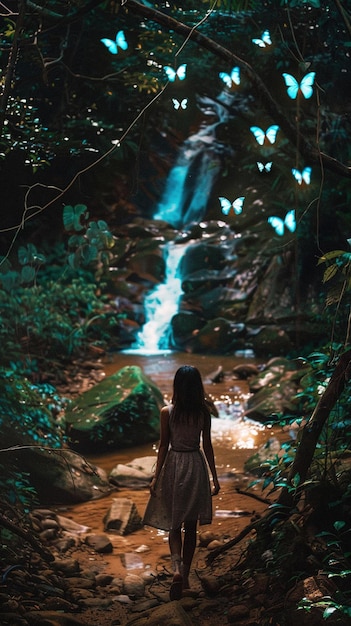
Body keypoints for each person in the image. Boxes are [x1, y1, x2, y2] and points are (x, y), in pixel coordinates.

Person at [142, 365, 220, 600]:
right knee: (191, 528)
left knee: (174, 525)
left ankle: (175, 569)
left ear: (177, 386)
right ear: (198, 387)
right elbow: (207, 446)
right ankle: (185, 578)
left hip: (175, 466)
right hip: (195, 466)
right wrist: (214, 477)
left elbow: (163, 445)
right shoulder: (204, 413)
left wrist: (156, 477)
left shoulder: (167, 412)